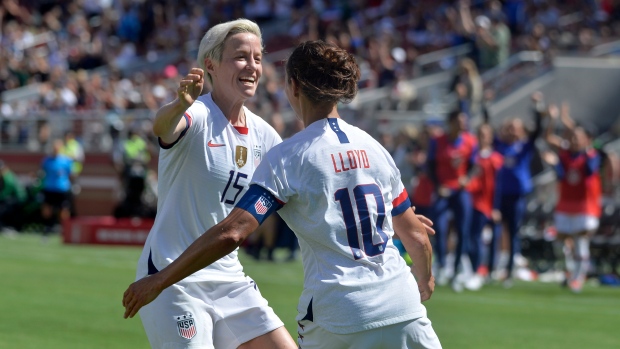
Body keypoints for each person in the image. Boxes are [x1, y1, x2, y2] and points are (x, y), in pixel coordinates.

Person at [123, 40, 441, 349]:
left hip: (339, 314)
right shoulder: (375, 148)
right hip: (405, 308)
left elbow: (233, 232)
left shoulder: (288, 155)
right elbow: (417, 238)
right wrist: (424, 279)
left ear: (294, 86)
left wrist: (159, 280)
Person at [127, 19, 296, 348]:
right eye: (241, 57)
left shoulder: (265, 135)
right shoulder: (198, 114)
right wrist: (179, 105)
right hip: (171, 278)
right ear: (210, 65)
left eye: (258, 58)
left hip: (230, 279)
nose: (252, 66)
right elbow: (162, 127)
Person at [483, 92, 546, 287]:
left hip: (517, 196)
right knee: (495, 231)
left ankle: (509, 272)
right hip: (499, 195)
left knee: (513, 233)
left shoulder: (524, 147)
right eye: (509, 128)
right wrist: (486, 104)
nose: (511, 131)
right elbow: (488, 126)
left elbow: (538, 131)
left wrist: (537, 107)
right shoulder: (499, 146)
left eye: (515, 128)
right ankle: (491, 270)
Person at [544, 102, 601, 293]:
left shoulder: (591, 156)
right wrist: (553, 120)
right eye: (573, 137)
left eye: (579, 138)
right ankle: (570, 271)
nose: (575, 141)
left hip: (585, 206)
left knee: (579, 240)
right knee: (560, 242)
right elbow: (549, 138)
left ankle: (578, 278)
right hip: (565, 205)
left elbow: (589, 171)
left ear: (587, 140)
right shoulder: (566, 155)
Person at [427, 110, 477, 291]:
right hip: (443, 190)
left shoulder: (470, 141)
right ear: (451, 122)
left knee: (462, 230)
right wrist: (438, 184)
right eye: (459, 121)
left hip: (461, 191)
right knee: (438, 228)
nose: (462, 124)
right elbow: (430, 165)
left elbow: (473, 165)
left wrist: (467, 178)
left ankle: (456, 271)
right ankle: (440, 266)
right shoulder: (437, 141)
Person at [465, 123, 503, 290]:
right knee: (468, 237)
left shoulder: (494, 159)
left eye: (485, 134)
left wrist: (496, 206)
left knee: (478, 238)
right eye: (479, 134)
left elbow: (498, 185)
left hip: (483, 204)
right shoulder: (472, 156)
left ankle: (480, 271)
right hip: (469, 201)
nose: (482, 137)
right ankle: (471, 270)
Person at [40, 139, 74, 236]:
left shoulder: (66, 161)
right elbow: (42, 172)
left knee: (63, 210)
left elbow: (70, 174)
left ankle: (64, 229)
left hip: (62, 189)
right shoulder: (46, 160)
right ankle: (47, 227)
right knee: (47, 209)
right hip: (49, 188)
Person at [0, 160, 26, 234]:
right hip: (11, 198)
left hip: (18, 198)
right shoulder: (5, 176)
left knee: (2, 210)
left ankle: (3, 227)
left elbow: (6, 193)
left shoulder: (8, 177)